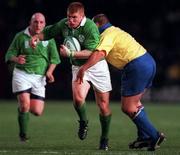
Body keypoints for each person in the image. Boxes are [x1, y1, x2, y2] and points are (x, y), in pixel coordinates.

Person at [76, 14, 166, 151]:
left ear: (97, 25)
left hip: (136, 65)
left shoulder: (107, 34)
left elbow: (100, 54)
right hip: (147, 61)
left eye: (92, 26)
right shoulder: (115, 30)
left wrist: (84, 68)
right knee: (136, 104)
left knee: (128, 107)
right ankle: (144, 137)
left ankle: (154, 136)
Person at [30, 2, 112, 150]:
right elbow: (48, 32)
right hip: (78, 66)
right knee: (78, 99)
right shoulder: (65, 24)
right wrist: (37, 37)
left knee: (103, 105)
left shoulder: (90, 28)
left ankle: (104, 138)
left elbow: (92, 52)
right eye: (69, 17)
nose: (71, 20)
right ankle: (83, 122)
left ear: (82, 16)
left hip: (97, 65)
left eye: (74, 17)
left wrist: (71, 54)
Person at [5, 12, 61, 142]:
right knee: (25, 104)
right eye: (36, 21)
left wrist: (49, 72)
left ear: (45, 24)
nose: (38, 24)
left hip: (39, 77)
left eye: (41, 22)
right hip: (22, 74)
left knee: (37, 111)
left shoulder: (49, 39)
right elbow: (8, 55)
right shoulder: (20, 36)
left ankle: (22, 110)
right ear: (30, 23)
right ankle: (23, 135)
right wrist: (16, 59)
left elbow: (55, 59)